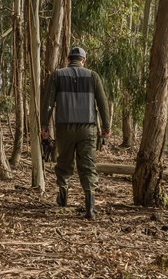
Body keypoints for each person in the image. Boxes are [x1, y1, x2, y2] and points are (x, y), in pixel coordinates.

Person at [41, 46, 110, 220]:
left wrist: (44, 126)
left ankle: (63, 199)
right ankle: (90, 208)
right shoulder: (93, 76)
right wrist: (106, 128)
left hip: (64, 127)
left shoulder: (57, 75)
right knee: (87, 165)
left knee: (64, 163)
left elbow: (48, 102)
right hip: (88, 128)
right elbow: (103, 104)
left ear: (68, 59)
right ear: (83, 60)